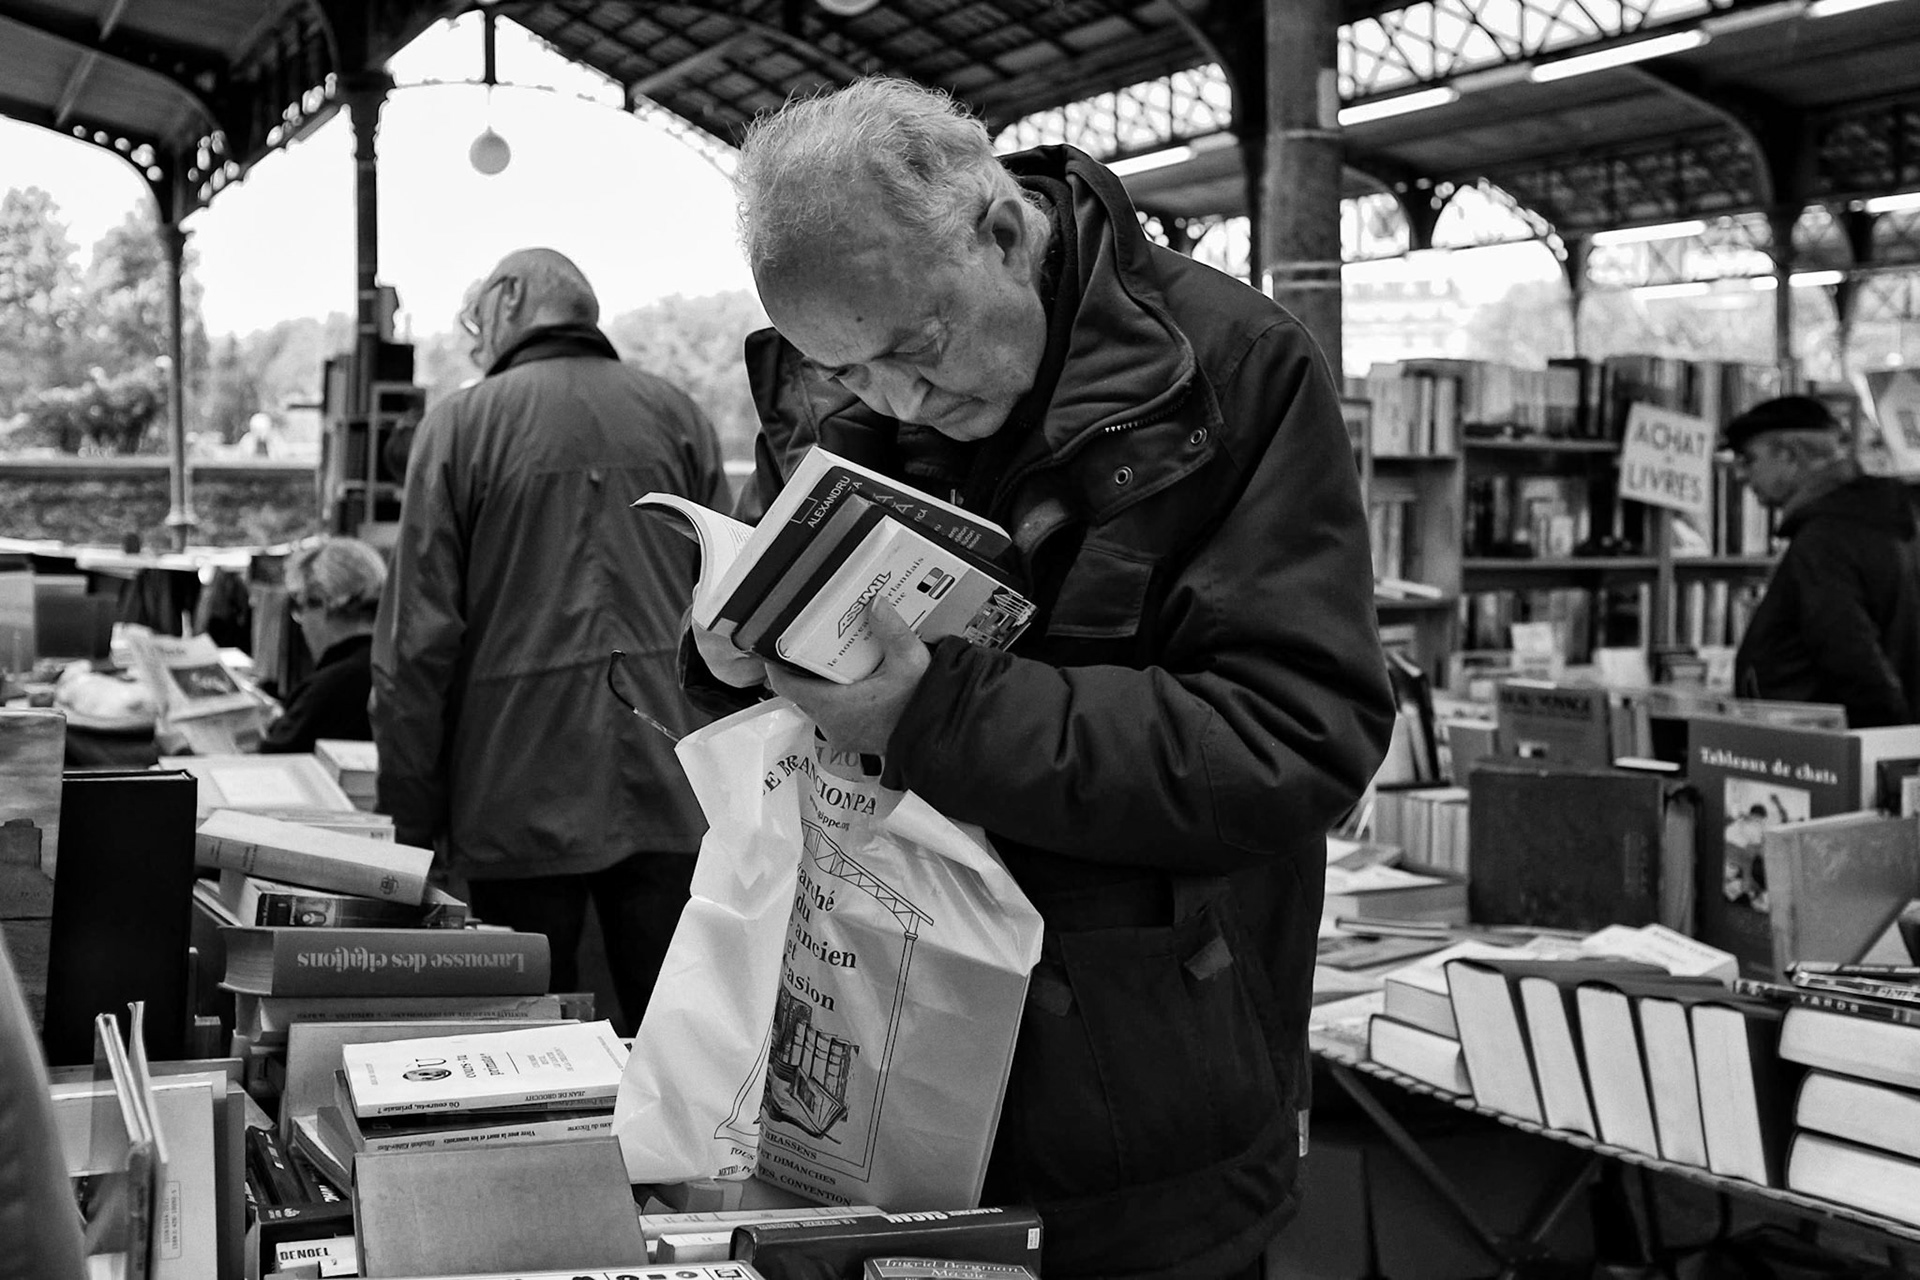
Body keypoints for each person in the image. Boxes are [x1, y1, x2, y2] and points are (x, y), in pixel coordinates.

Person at [689, 78, 1393, 1280]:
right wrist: (724, 656)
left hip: (1143, 1116)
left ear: (1004, 232)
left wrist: (938, 713)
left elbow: (1300, 735)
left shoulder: (1232, 372)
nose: (899, 399)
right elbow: (782, 615)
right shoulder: (873, 381)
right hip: (893, 1086)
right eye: (848, 373)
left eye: (917, 349)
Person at [372, 247, 729, 1033]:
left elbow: (415, 645)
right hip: (676, 786)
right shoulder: (681, 416)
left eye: (476, 319)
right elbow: (731, 615)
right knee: (684, 1048)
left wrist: (407, 818)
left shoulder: (461, 427)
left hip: (514, 795)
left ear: (508, 300)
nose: (475, 340)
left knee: (530, 1053)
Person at [1728, 394, 1920, 727]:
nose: (1741, 475)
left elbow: (1851, 659)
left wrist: (1883, 752)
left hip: (1832, 755)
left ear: (1790, 455)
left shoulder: (1824, 540)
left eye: (1749, 459)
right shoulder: (1886, 519)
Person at [257, 537, 385, 754]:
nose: (303, 625)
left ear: (323, 602)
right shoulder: (395, 669)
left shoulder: (332, 686)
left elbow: (267, 765)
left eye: (301, 609)